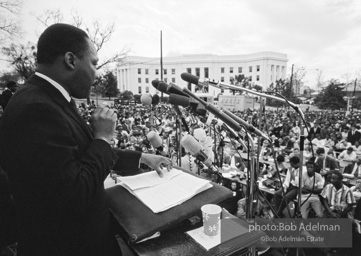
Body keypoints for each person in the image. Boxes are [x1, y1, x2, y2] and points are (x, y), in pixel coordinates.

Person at [0, 24, 171, 256]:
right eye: (93, 63)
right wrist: (102, 138)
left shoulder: (48, 97)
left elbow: (80, 152)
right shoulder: (36, 108)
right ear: (71, 60)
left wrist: (142, 157)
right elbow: (74, 194)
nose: (97, 73)